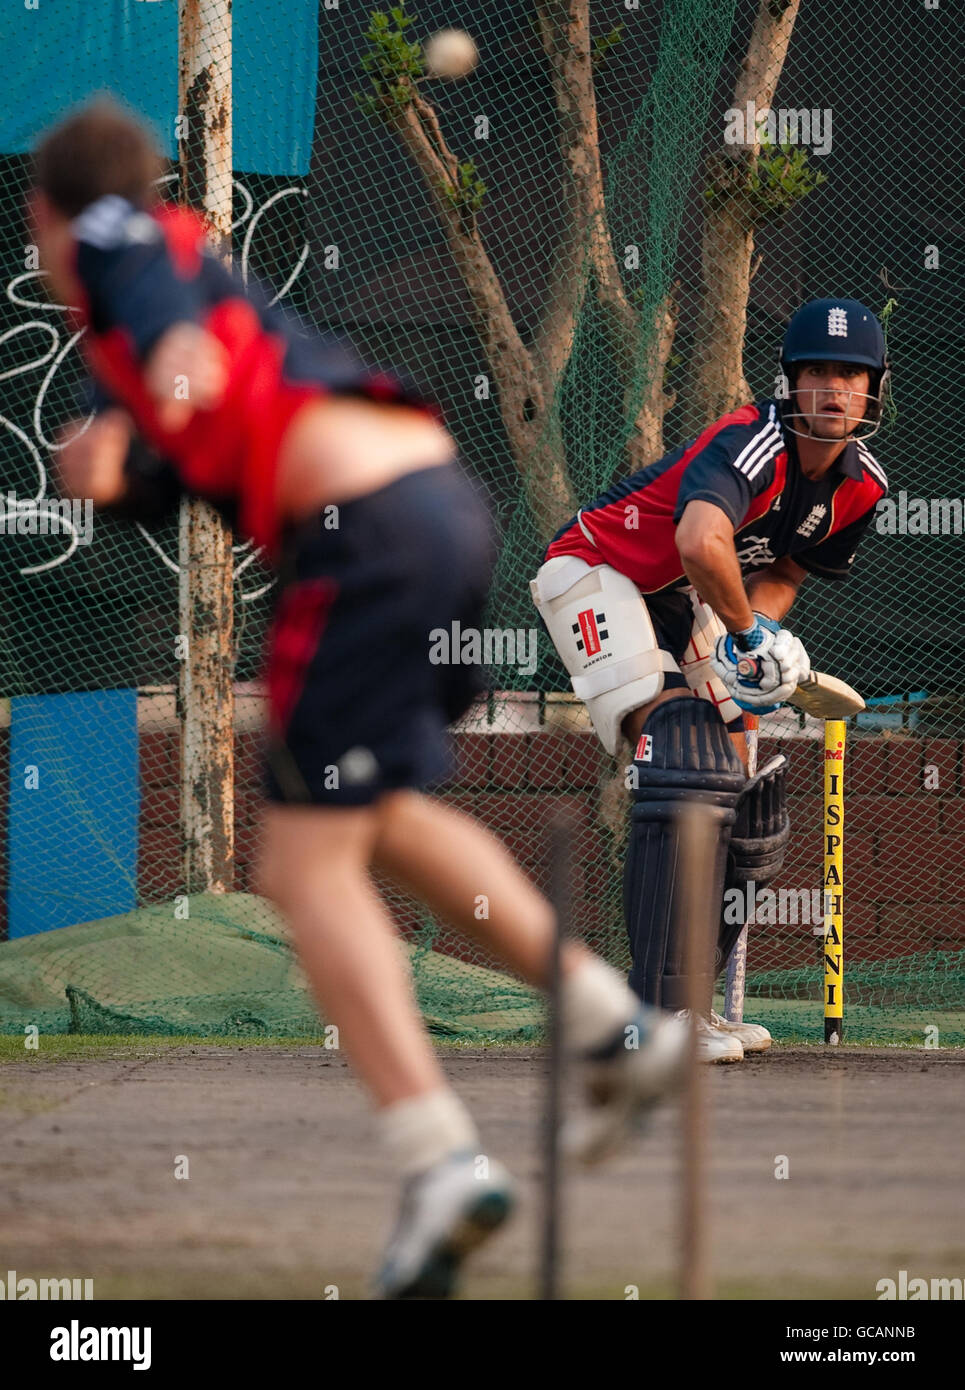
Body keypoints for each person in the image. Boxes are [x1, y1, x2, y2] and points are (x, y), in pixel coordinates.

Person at [32, 100, 688, 1299]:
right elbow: (185, 438)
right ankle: (610, 1025)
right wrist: (125, 453)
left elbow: (183, 348)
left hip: (367, 543)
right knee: (370, 819)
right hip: (431, 511)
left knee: (299, 867)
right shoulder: (146, 304)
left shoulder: (123, 244)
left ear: (46, 215)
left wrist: (156, 400)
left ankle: (441, 1165)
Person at [531, 298, 889, 1062]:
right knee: (680, 754)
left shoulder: (861, 488)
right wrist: (747, 633)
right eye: (816, 373)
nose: (832, 390)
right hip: (594, 569)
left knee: (741, 788)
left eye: (849, 375)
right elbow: (700, 539)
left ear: (873, 390)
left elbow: (788, 564)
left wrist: (757, 640)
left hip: (685, 597)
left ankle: (691, 1003)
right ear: (789, 384)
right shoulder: (752, 440)